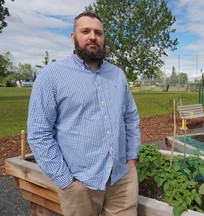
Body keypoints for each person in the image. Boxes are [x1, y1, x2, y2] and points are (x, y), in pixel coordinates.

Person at [27, 12, 141, 216]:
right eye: (85, 31)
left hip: (121, 178)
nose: (92, 37)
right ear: (73, 37)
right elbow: (39, 133)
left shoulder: (117, 75)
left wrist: (131, 159)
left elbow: (130, 117)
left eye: (98, 32)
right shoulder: (51, 76)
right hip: (80, 183)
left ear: (104, 38)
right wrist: (66, 181)